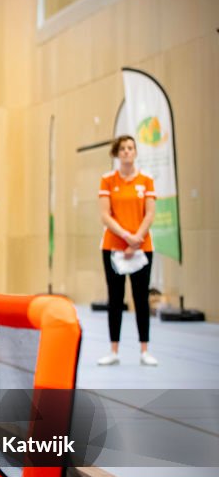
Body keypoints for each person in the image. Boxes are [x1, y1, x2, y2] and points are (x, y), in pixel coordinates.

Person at [97, 135, 157, 366]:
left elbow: (149, 213)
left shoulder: (146, 180)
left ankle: (144, 350)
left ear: (136, 152)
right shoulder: (107, 180)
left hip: (142, 248)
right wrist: (125, 236)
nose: (127, 152)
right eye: (122, 149)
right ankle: (114, 350)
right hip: (114, 247)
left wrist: (137, 238)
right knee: (116, 298)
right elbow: (105, 214)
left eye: (130, 148)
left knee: (141, 298)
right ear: (116, 153)